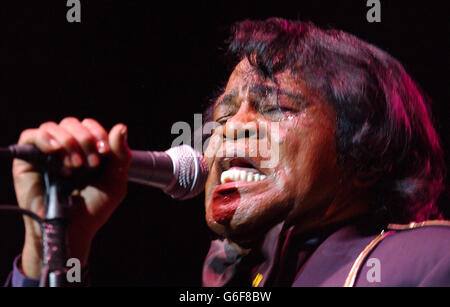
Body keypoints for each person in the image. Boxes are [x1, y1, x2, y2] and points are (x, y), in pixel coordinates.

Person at [5, 18, 450, 287]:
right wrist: (55, 245)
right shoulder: (234, 281)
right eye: (220, 120)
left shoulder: (432, 260)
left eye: (275, 107)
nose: (230, 131)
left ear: (367, 152)